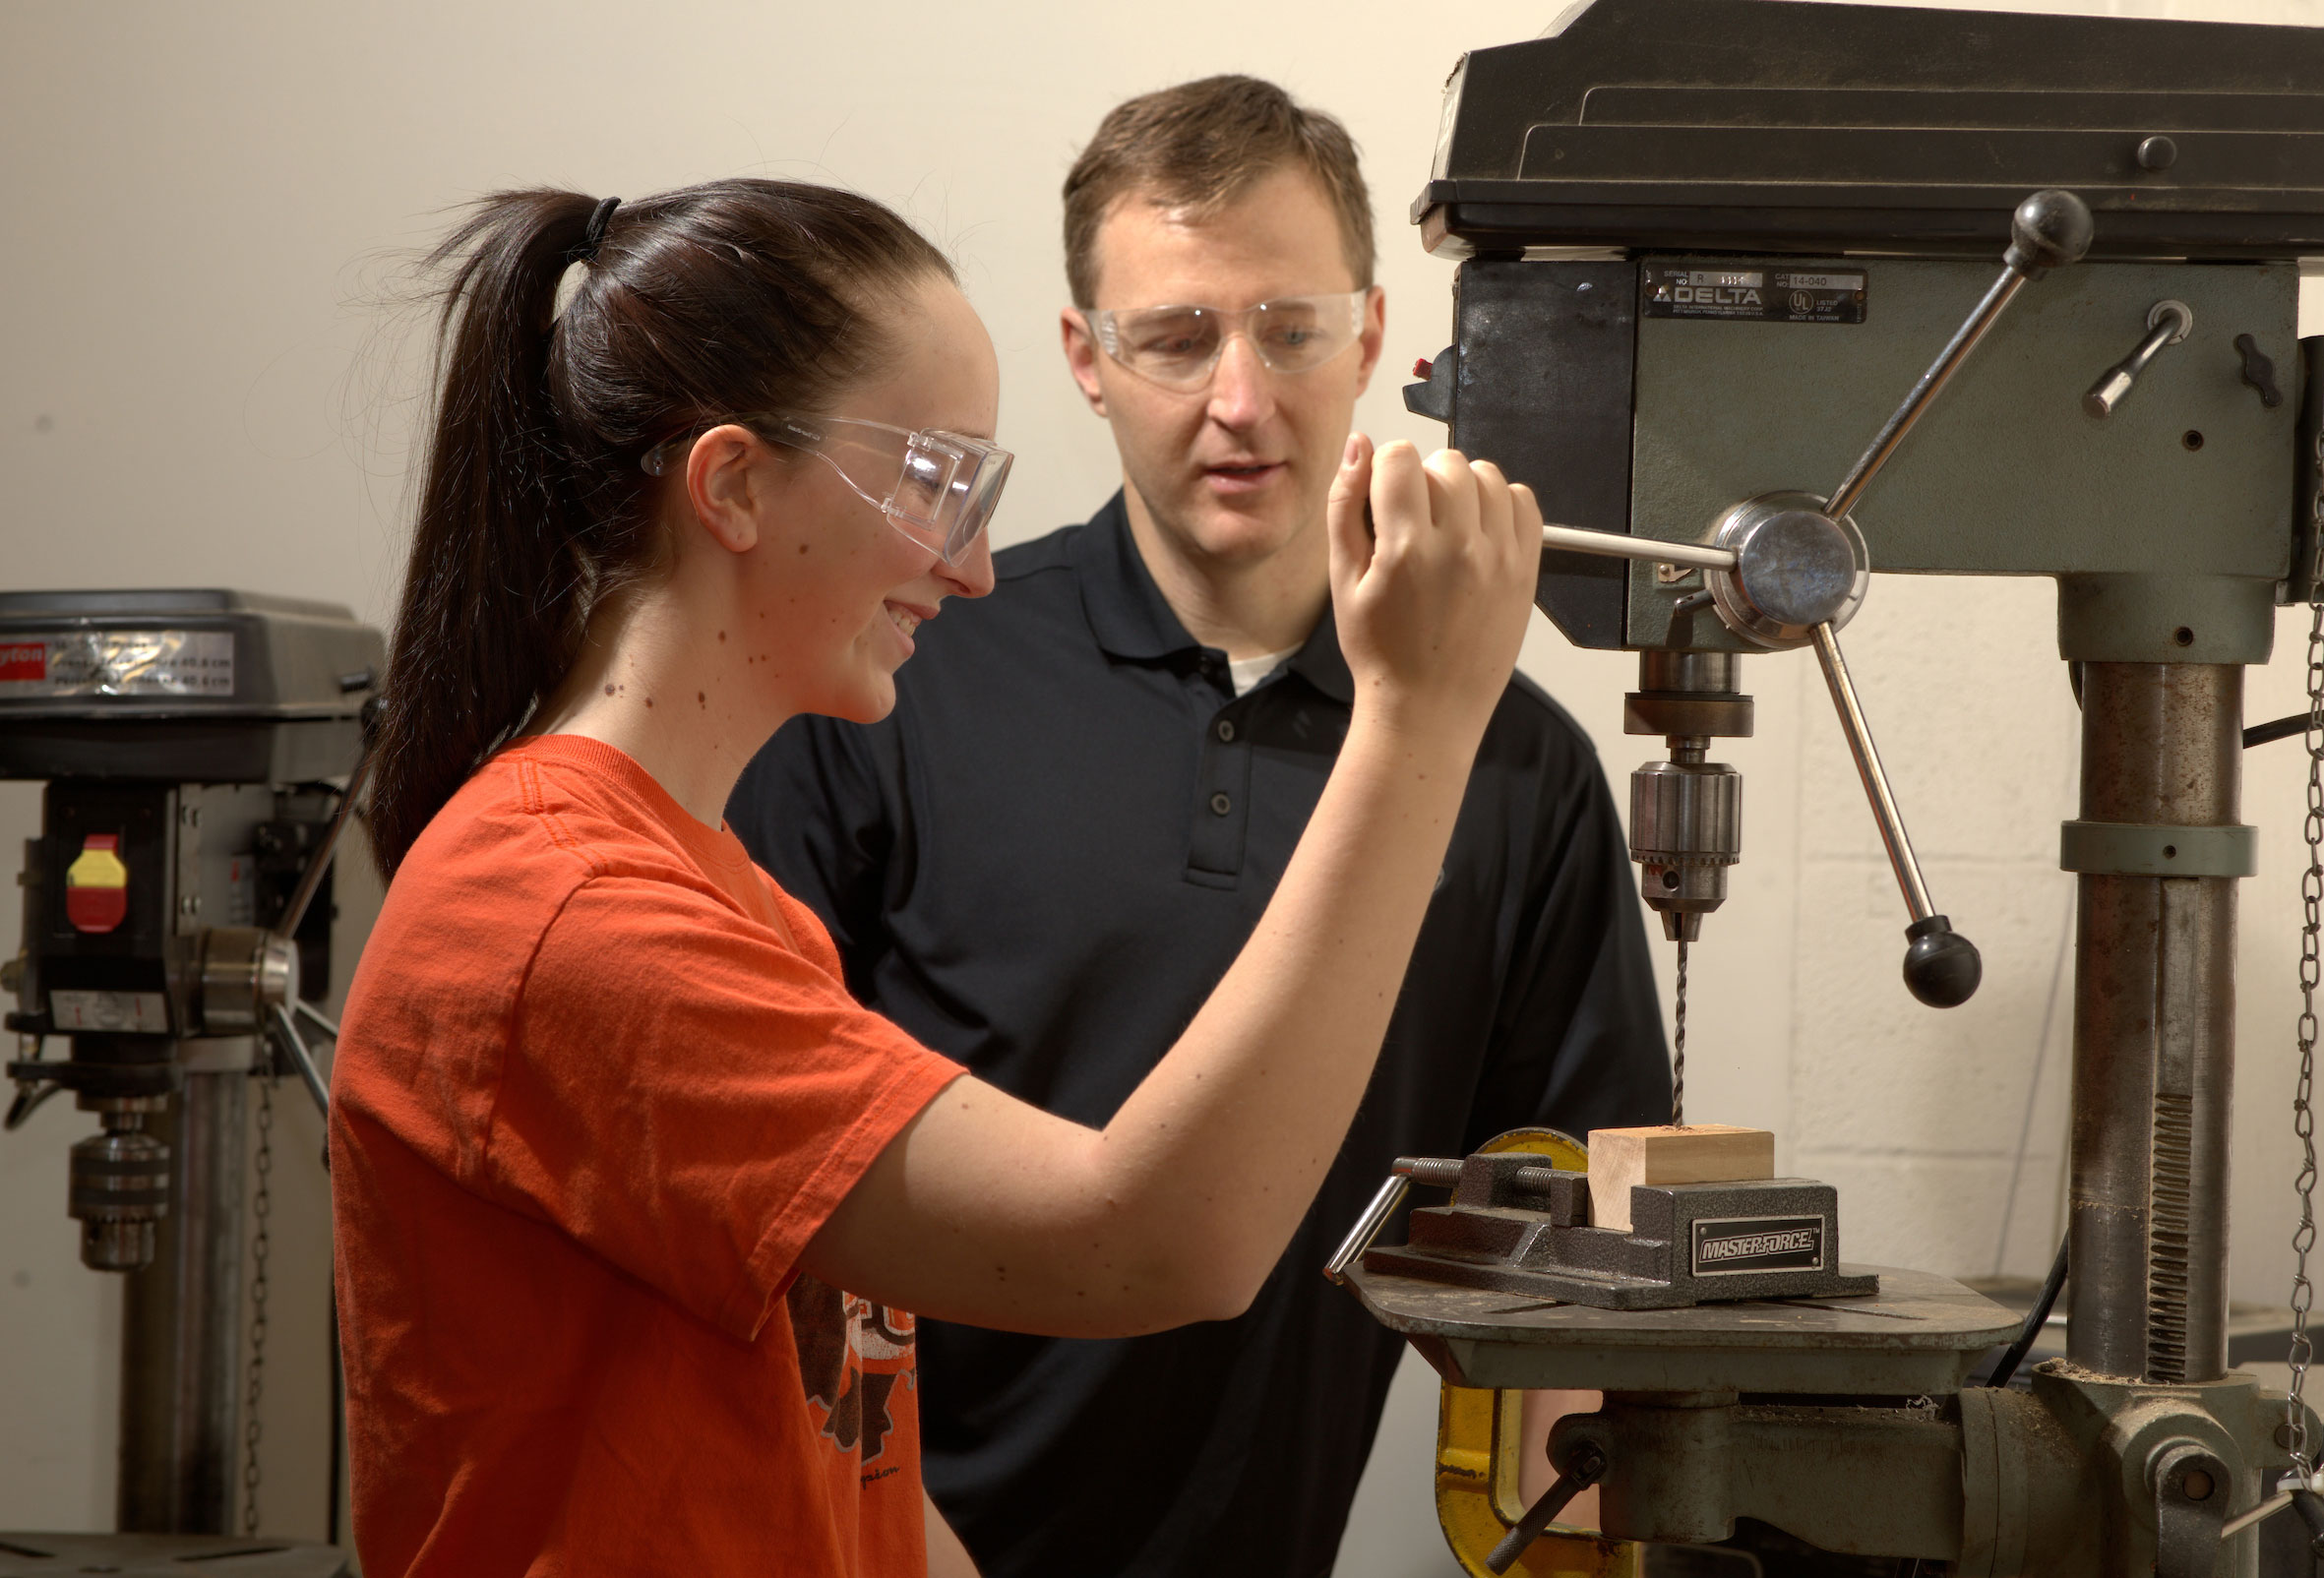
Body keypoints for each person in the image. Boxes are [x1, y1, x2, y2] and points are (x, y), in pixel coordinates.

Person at [328, 176, 1544, 1578]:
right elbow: (1153, 1242)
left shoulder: (733, 904)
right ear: (731, 484)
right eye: (931, 480)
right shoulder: (564, 919)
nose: (970, 571)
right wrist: (1419, 721)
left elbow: (854, 1471)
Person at [726, 78, 1671, 1578]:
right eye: (1175, 338)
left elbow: (1575, 1228)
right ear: (1085, 361)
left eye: (1290, 330)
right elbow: (761, 1222)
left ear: (1371, 335)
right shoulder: (892, 683)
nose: (1242, 399)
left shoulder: (1507, 762)